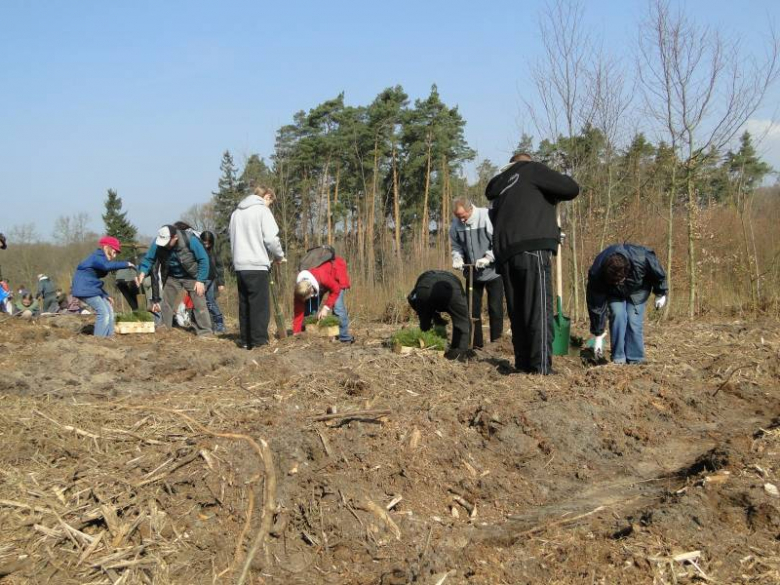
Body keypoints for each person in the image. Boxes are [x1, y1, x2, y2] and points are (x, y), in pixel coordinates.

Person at [486, 152, 579, 375]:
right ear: (527, 161)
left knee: (518, 313)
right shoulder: (532, 170)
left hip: (505, 253)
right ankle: (542, 369)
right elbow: (570, 188)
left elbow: (500, 214)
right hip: (532, 248)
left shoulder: (500, 184)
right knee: (538, 309)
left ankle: (523, 365)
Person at [586, 243, 668, 364]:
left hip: (638, 289)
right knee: (618, 316)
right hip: (613, 292)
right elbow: (596, 304)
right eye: (615, 281)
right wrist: (598, 333)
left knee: (633, 322)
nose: (619, 283)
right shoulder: (597, 272)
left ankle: (635, 359)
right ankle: (618, 358)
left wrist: (661, 293)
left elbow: (658, 273)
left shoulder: (641, 257)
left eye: (620, 280)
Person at [229, 186, 285, 349]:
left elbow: (232, 238)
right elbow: (271, 239)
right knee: (259, 306)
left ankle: (246, 340)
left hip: (240, 265)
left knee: (245, 304)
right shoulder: (262, 211)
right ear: (267, 196)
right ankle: (259, 341)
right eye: (270, 202)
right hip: (257, 265)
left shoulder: (236, 214)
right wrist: (279, 256)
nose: (269, 206)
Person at [135, 223, 213, 336]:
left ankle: (205, 332)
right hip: (173, 276)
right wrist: (142, 272)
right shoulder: (158, 243)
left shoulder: (190, 240)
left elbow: (203, 259)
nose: (164, 245)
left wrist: (201, 280)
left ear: (175, 237)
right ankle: (164, 329)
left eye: (167, 242)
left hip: (192, 276)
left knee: (199, 304)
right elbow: (149, 259)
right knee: (166, 303)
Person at [449, 198, 504, 348]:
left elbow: (498, 241)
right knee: (472, 311)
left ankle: (497, 344)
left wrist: (488, 258)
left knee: (495, 309)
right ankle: (476, 345)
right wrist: (458, 258)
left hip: (494, 272)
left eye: (463, 215)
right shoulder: (456, 224)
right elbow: (456, 246)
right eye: (458, 216)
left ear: (470, 209)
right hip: (473, 273)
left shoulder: (486, 216)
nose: (461, 219)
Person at [71, 236, 134, 336]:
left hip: (90, 288)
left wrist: (105, 295)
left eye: (117, 253)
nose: (115, 255)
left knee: (109, 310)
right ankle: (99, 340)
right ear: (106, 247)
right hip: (84, 289)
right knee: (103, 313)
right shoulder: (97, 257)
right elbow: (107, 267)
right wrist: (127, 264)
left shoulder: (100, 259)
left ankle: (109, 337)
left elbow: (94, 281)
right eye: (114, 251)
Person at [407, 270, 472, 359]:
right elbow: (463, 314)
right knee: (462, 321)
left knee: (425, 323)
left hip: (425, 288)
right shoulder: (454, 280)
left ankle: (427, 347)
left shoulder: (422, 280)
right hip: (452, 289)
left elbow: (411, 298)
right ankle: (459, 351)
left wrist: (425, 314)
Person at [292, 252, 354, 342]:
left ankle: (344, 338)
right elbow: (298, 312)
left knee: (338, 307)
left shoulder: (321, 276)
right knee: (310, 309)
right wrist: (296, 332)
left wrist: (325, 308)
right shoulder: (300, 289)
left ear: (311, 290)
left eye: (307, 297)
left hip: (336, 275)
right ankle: (312, 334)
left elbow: (335, 289)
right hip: (320, 284)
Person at [200, 231, 226, 333]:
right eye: (204, 243)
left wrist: (221, 283)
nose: (206, 245)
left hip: (211, 280)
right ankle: (207, 325)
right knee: (202, 304)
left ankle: (220, 324)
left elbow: (219, 268)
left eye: (208, 243)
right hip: (200, 280)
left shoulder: (214, 251)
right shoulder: (198, 250)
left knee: (210, 302)